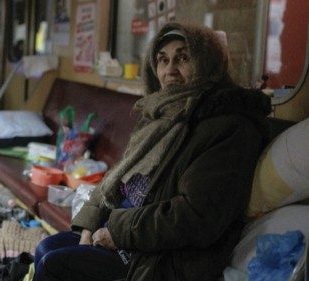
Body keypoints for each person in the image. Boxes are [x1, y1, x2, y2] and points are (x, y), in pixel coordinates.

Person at [33, 22, 271, 281]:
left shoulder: (229, 127)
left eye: (183, 58)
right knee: (46, 247)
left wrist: (117, 231)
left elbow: (196, 216)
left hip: (158, 257)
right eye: (162, 60)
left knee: (53, 265)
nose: (170, 70)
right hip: (121, 233)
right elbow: (117, 178)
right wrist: (89, 224)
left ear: (207, 63)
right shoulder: (161, 115)